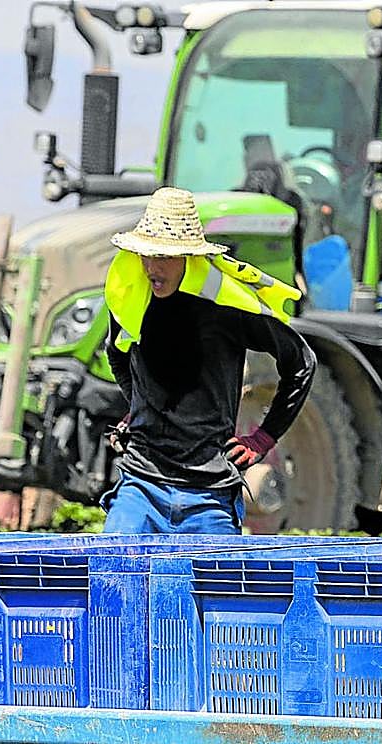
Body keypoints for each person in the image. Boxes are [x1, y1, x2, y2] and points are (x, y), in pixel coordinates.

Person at [101, 187, 317, 534]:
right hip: (141, 486)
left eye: (165, 257)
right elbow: (117, 352)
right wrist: (140, 405)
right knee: (113, 575)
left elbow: (301, 363)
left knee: (214, 588)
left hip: (209, 495)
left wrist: (262, 439)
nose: (152, 267)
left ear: (189, 257)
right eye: (146, 255)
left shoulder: (229, 307)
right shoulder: (132, 297)